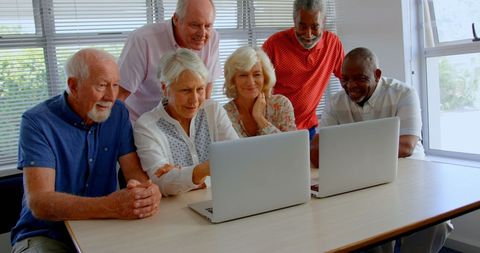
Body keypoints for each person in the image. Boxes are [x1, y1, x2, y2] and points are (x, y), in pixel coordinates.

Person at [10, 48, 161, 253]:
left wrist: (147, 192)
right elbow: (40, 202)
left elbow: (134, 173)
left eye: (115, 85)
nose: (110, 96)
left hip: (103, 226)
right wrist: (111, 207)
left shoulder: (118, 113)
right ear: (73, 85)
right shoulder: (37, 122)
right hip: (46, 235)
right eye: (101, 85)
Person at [312, 47, 452, 253]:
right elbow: (318, 153)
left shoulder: (403, 93)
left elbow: (406, 146)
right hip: (362, 180)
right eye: (345, 79)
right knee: (371, 231)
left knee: (437, 224)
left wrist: (345, 150)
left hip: (410, 174)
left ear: (377, 75)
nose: (350, 86)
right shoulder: (336, 102)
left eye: (359, 78)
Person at [134, 48, 238, 197]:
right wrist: (206, 170)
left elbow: (237, 161)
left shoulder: (213, 110)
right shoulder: (146, 126)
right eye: (186, 90)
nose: (195, 100)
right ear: (165, 88)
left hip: (221, 198)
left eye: (200, 89)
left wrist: (181, 176)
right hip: (175, 211)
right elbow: (162, 184)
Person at [117, 0, 220, 123]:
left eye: (208, 26)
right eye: (195, 25)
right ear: (176, 19)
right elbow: (119, 95)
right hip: (140, 124)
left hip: (183, 125)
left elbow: (206, 88)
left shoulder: (212, 38)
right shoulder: (142, 40)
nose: (202, 33)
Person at [262, 0, 344, 140]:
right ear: (294, 20)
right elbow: (258, 87)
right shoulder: (274, 45)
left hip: (308, 128)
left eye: (315, 27)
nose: (308, 34)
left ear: (323, 22)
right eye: (302, 26)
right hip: (274, 128)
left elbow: (347, 79)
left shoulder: (333, 44)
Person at [223, 46, 296, 137]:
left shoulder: (281, 104)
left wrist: (259, 118)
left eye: (257, 74)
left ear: (265, 78)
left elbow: (290, 145)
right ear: (233, 80)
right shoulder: (224, 114)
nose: (251, 82)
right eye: (243, 75)